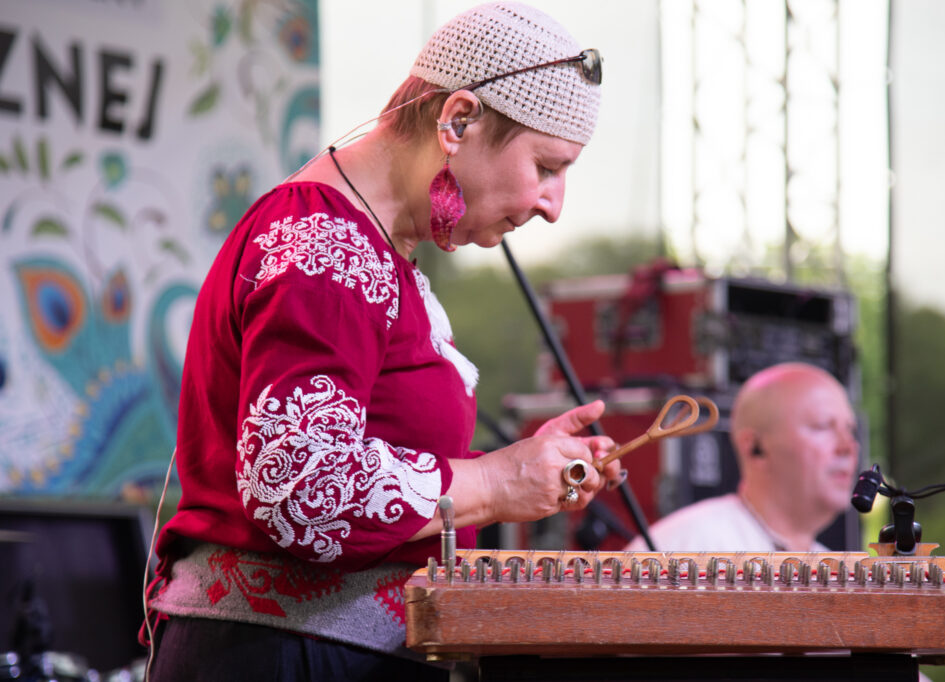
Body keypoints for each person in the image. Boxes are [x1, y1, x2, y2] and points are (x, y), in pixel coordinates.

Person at [142, 3, 621, 680]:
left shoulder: (365, 243)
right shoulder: (324, 242)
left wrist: (523, 466)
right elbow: (303, 485)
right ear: (457, 121)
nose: (554, 204)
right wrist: (497, 479)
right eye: (546, 165)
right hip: (282, 658)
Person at [624, 362, 859, 553]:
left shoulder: (832, 568)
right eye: (822, 426)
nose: (848, 447)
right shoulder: (684, 548)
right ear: (755, 447)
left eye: (851, 430)